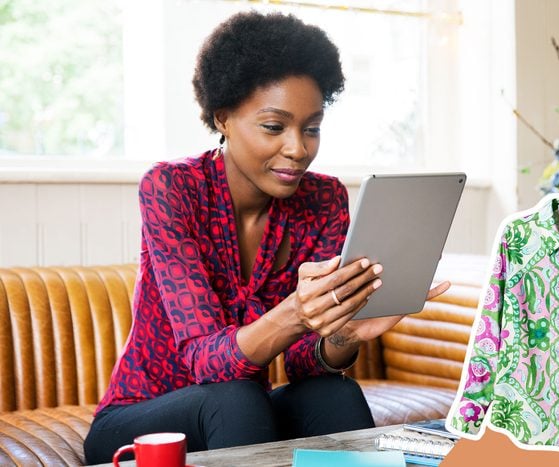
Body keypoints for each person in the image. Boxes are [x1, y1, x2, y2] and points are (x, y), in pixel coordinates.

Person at [84, 11, 449, 464]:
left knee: (330, 394)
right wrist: (297, 312)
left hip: (240, 415)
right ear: (223, 118)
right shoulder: (172, 188)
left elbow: (300, 362)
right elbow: (204, 362)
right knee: (234, 396)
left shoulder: (324, 199)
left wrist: (341, 335)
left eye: (311, 128)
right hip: (142, 420)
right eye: (274, 127)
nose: (298, 149)